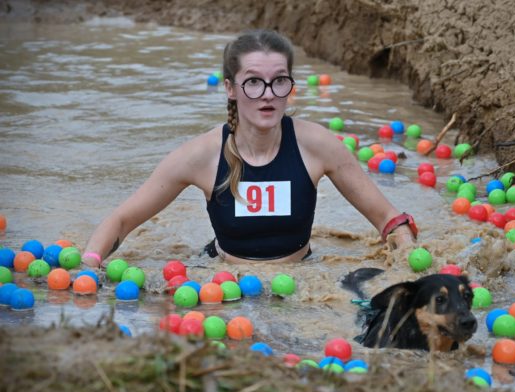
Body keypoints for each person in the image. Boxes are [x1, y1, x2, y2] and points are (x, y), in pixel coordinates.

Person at [82, 29, 416, 268]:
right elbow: (122, 219)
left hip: (302, 278)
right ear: (230, 88)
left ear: (290, 85)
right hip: (223, 279)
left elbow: (389, 220)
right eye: (254, 82)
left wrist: (411, 263)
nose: (268, 93)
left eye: (279, 80)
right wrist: (88, 268)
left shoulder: (318, 144)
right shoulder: (201, 155)